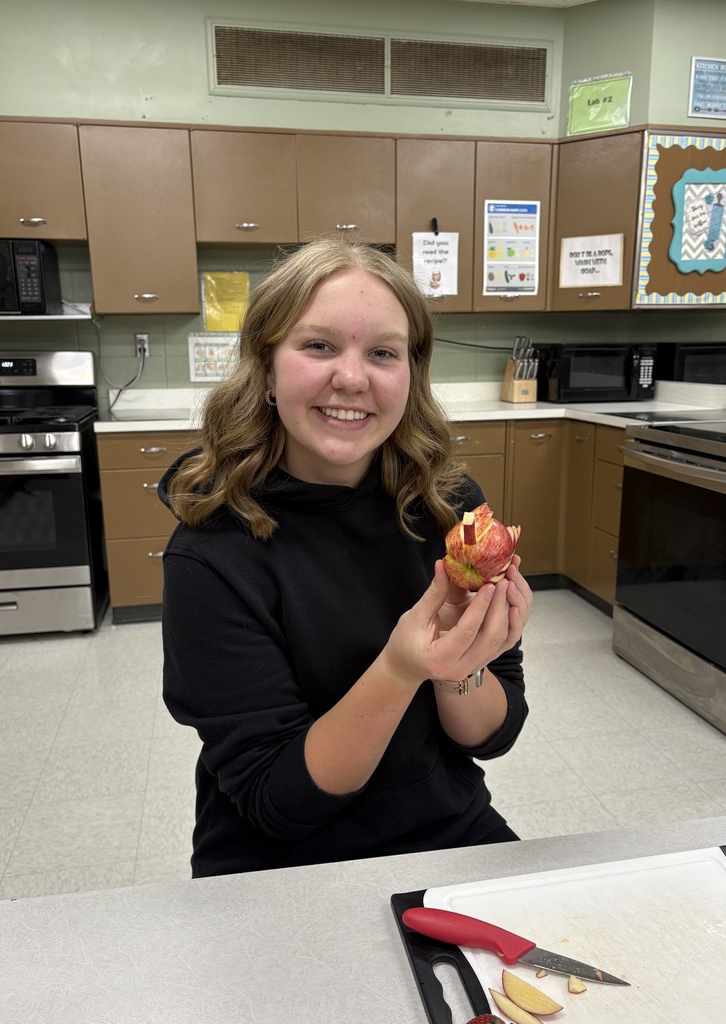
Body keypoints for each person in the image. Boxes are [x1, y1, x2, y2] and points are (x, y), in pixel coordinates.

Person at [160, 237, 532, 878]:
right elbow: (279, 803)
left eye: (383, 352)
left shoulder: (450, 510)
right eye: (318, 345)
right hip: (283, 864)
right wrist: (400, 669)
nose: (352, 378)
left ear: (411, 374)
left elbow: (493, 736)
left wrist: (460, 668)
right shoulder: (212, 554)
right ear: (266, 368)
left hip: (449, 828)